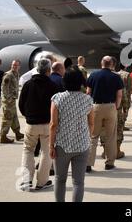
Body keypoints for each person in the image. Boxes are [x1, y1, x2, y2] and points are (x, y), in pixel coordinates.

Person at [50, 67, 94, 202]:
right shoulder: (87, 99)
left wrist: (51, 145)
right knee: (79, 182)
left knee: (60, 179)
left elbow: (53, 124)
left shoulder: (57, 98)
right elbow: (91, 123)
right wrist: (88, 139)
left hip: (62, 145)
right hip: (82, 145)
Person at [18, 59, 59, 191]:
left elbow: (21, 104)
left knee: (28, 150)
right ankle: (42, 182)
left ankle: (26, 181)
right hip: (47, 124)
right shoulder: (53, 86)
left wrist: (27, 115)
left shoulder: (28, 84)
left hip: (31, 123)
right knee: (46, 152)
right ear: (48, 71)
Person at [86, 56, 123, 171]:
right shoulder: (116, 77)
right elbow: (119, 95)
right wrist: (116, 106)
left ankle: (88, 164)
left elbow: (88, 92)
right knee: (111, 136)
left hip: (95, 106)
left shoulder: (93, 75)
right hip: (110, 106)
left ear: (101, 63)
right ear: (111, 64)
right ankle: (109, 163)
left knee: (93, 136)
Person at [0, 60, 24, 143]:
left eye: (16, 65)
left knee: (14, 117)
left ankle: (17, 133)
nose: (14, 66)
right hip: (8, 101)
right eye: (13, 65)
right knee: (7, 117)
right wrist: (8, 99)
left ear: (19, 66)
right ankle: (3, 136)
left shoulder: (16, 74)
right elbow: (4, 88)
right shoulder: (8, 75)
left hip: (12, 100)